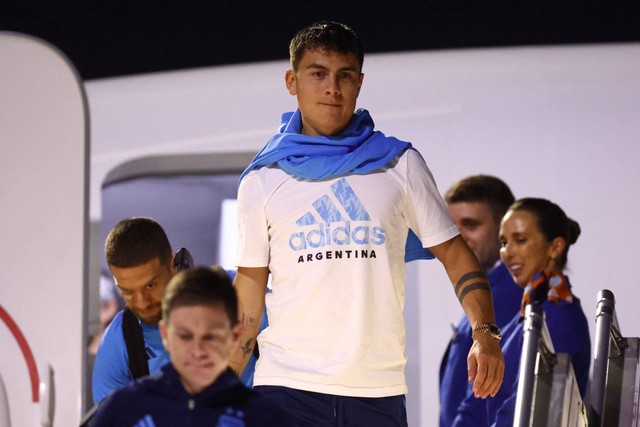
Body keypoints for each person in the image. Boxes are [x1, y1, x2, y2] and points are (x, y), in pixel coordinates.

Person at [231, 21, 504, 426]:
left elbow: (457, 255)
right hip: (285, 390)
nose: (332, 89)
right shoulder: (263, 179)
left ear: (359, 83)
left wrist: (485, 333)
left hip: (376, 392)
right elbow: (250, 287)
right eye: (318, 74)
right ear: (292, 81)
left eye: (344, 76)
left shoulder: (400, 163)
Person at [90, 267, 293, 426]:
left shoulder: (266, 418)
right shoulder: (122, 410)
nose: (197, 350)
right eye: (185, 336)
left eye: (210, 336)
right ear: (166, 335)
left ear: (235, 335)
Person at [452, 198, 591, 426]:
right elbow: (478, 401)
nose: (508, 253)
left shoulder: (559, 316)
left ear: (555, 247)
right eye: (504, 242)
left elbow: (524, 412)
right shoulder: (531, 311)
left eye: (520, 240)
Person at [92, 217, 259, 404]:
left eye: (150, 285)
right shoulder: (119, 339)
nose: (141, 303)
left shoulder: (238, 292)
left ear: (173, 264)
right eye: (127, 291)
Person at [439, 175, 523, 427]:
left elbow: (483, 400)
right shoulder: (488, 291)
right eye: (450, 226)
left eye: (470, 225)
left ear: (503, 230)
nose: (456, 238)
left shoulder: (507, 298)